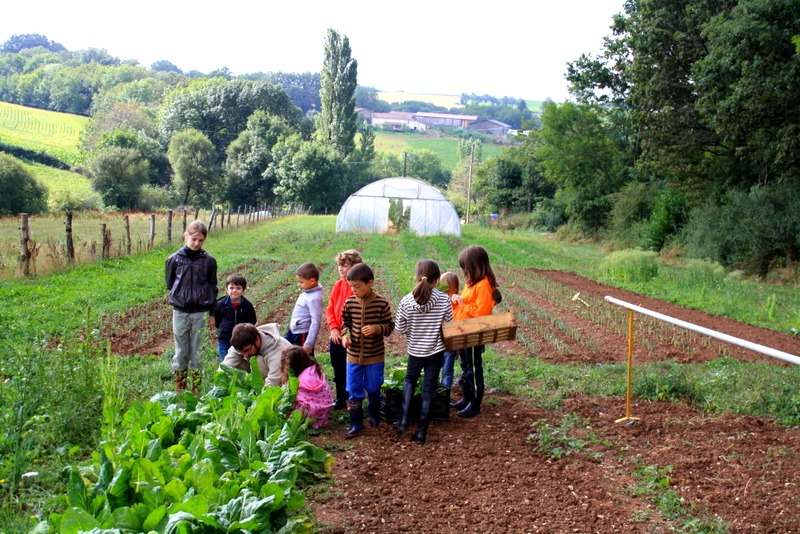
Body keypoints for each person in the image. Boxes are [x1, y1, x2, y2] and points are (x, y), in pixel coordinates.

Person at [393, 260, 453, 444]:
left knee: (410, 381)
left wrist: (414, 332)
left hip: (415, 352)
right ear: (437, 280)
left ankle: (403, 421)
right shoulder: (444, 299)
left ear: (416, 278)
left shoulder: (406, 300)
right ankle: (421, 433)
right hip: (435, 353)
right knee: (429, 391)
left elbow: (400, 327)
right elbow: (449, 326)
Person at [341, 263, 395, 438]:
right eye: (351, 287)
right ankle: (356, 423)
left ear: (370, 282)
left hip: (374, 356)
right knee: (353, 388)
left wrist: (377, 328)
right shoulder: (349, 303)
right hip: (353, 356)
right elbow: (345, 324)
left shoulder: (381, 303)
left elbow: (389, 327)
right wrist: (345, 336)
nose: (354, 290)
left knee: (373, 387)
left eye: (357, 286)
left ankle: (374, 415)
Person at [165, 220, 217, 394]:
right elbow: (170, 283)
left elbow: (212, 287)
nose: (196, 243)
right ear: (186, 235)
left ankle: (196, 390)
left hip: (201, 312)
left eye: (200, 240)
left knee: (198, 351)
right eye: (194, 239)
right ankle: (180, 389)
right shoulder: (174, 259)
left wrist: (212, 314)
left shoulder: (209, 261)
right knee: (181, 351)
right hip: (180, 312)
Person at [449, 245, 499, 418]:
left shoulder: (483, 285)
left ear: (475, 266)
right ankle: (467, 398)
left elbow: (482, 314)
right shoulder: (472, 284)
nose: (464, 271)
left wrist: (462, 304)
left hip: (473, 333)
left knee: (473, 369)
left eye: (466, 267)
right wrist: (457, 302)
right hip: (464, 331)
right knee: (465, 366)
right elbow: (467, 305)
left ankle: (475, 404)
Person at [325, 249, 363, 409]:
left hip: (351, 337)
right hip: (337, 336)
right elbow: (330, 308)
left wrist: (348, 333)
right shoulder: (338, 285)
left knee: (352, 369)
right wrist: (334, 328)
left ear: (355, 267)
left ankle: (352, 399)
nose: (340, 269)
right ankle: (341, 397)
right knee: (338, 367)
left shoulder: (358, 288)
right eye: (339, 266)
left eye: (344, 266)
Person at [280, 345, 334, 429]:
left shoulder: (300, 381)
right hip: (323, 413)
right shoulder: (313, 370)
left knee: (287, 401)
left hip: (310, 416)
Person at [222, 322, 291, 386]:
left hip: (286, 378)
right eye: (242, 352)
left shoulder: (278, 350)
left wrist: (258, 398)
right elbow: (225, 366)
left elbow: (273, 383)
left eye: (247, 350)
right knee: (236, 364)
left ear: (257, 340)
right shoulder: (245, 342)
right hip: (269, 373)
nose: (245, 355)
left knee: (258, 361)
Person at [212, 273, 257, 362]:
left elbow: (252, 321)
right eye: (231, 288)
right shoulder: (221, 304)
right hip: (225, 340)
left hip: (242, 341)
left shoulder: (247, 306)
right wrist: (223, 328)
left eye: (238, 288)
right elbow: (217, 320)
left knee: (243, 364)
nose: (234, 291)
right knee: (225, 364)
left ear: (243, 290)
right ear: (226, 289)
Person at [285, 263, 324, 356]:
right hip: (294, 331)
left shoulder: (314, 298)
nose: (299, 285)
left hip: (302, 335)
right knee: (286, 353)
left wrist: (309, 344)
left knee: (303, 360)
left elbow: (316, 322)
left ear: (312, 281)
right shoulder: (307, 292)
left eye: (301, 282)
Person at [439, 271, 460, 390]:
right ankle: (435, 392)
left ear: (455, 290)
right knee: (434, 368)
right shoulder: (439, 303)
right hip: (437, 343)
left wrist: (457, 346)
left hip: (450, 345)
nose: (445, 294)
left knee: (447, 371)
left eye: (447, 291)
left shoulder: (456, 306)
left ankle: (444, 392)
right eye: (442, 291)